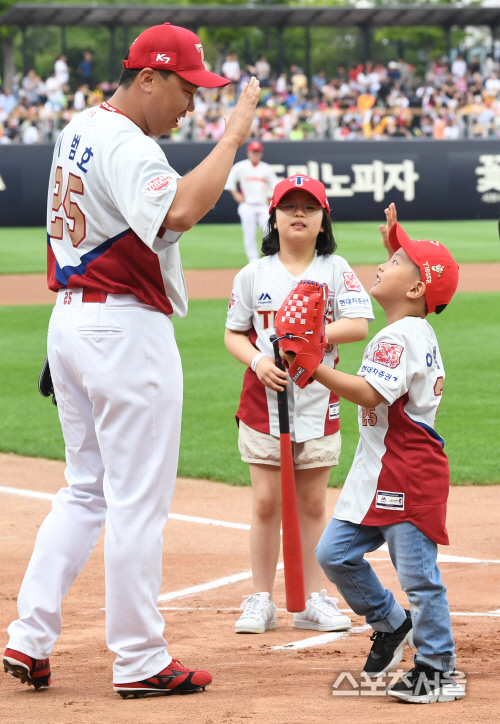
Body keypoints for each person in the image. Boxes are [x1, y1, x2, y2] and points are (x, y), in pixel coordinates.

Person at [3, 22, 260, 698]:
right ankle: (141, 658)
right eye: (184, 88)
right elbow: (179, 210)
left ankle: (28, 637)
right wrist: (230, 139)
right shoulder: (127, 143)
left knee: (84, 490)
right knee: (136, 503)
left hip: (73, 322)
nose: (191, 104)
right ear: (147, 77)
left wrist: (75, 345)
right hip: (122, 330)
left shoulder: (80, 127)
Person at [308, 203, 465, 704]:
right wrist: (398, 242)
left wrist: (313, 365)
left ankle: (437, 668)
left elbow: (371, 394)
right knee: (333, 553)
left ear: (416, 291)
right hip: (380, 467)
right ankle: (391, 624)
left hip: (407, 471)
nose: (384, 264)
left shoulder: (400, 334)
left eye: (396, 263)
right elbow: (416, 275)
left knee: (419, 576)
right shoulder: (409, 327)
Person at [224, 175, 374, 634]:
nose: (299, 214)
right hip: (264, 400)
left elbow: (359, 323)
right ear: (273, 216)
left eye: (309, 208)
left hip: (318, 398)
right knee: (267, 502)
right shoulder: (254, 273)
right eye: (289, 206)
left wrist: (311, 336)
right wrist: (256, 362)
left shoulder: (335, 268)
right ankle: (260, 599)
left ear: (323, 219)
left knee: (311, 503)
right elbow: (234, 333)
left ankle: (314, 599)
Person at [225, 141, 278, 262]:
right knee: (249, 234)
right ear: (248, 152)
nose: (255, 154)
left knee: (269, 231)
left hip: (263, 205)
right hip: (247, 205)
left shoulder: (266, 168)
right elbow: (229, 181)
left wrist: (271, 199)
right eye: (253, 152)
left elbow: (276, 186)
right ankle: (252, 261)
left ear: (261, 153)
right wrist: (236, 195)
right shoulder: (240, 166)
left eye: (258, 152)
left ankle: (271, 257)